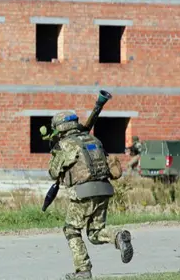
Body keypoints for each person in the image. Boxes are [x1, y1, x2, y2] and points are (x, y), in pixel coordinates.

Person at [47, 111, 133, 279]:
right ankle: (118, 236)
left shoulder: (65, 145)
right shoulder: (94, 140)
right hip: (104, 189)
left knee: (71, 229)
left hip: (83, 192)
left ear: (60, 127)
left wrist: (54, 152)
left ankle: (83, 271)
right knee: (95, 232)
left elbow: (53, 172)